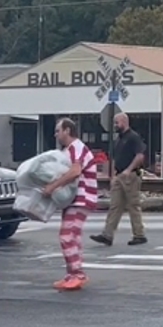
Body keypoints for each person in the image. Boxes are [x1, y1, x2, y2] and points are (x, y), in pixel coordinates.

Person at [43, 118, 97, 291]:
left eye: (58, 131)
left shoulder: (76, 147)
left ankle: (77, 274)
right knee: (73, 236)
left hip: (81, 197)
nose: (56, 134)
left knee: (67, 236)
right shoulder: (71, 149)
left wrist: (53, 186)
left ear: (67, 130)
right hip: (77, 199)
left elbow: (75, 171)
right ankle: (73, 273)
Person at [93, 111, 148, 247]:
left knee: (133, 205)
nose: (115, 125)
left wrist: (128, 170)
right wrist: (113, 175)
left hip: (130, 176)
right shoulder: (119, 139)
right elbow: (114, 158)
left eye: (117, 122)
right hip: (119, 175)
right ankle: (107, 234)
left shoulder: (133, 137)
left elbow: (140, 156)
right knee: (115, 206)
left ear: (124, 122)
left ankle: (139, 234)